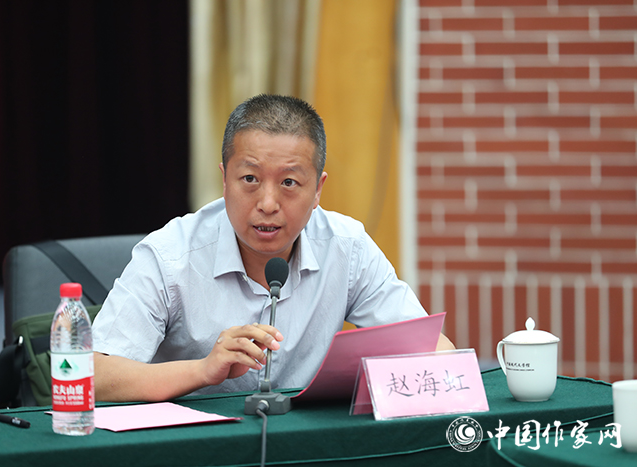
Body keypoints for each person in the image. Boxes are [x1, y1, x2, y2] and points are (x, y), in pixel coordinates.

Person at [92, 94, 454, 402]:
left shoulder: (347, 247)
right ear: (224, 180)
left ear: (318, 190)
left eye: (289, 182)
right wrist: (202, 370)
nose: (267, 203)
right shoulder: (170, 256)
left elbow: (434, 350)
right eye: (250, 178)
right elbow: (92, 374)